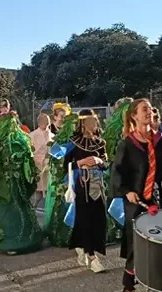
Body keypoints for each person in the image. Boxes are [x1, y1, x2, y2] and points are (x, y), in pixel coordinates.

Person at [112, 98, 162, 292]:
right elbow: (118, 172)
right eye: (144, 109)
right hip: (136, 201)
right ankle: (128, 285)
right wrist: (127, 190)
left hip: (161, 200)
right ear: (134, 115)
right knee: (136, 245)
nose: (149, 112)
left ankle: (158, 283)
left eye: (150, 109)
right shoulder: (127, 144)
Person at [0, 111, 43, 255]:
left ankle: (23, 238)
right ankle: (10, 241)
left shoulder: (20, 140)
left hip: (14, 183)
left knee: (19, 208)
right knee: (9, 210)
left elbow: (28, 160)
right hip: (6, 183)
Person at [65, 109, 108, 273]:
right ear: (83, 123)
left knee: (98, 218)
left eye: (95, 121)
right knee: (85, 217)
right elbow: (65, 165)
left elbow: (106, 164)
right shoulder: (73, 142)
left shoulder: (101, 142)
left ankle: (83, 246)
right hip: (82, 184)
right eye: (90, 121)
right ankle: (92, 257)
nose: (93, 124)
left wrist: (99, 161)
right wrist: (80, 162)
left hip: (98, 184)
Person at [30, 113, 54, 205]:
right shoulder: (32, 135)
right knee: (37, 192)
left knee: (49, 191)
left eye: (47, 121)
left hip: (49, 167)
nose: (46, 123)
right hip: (37, 166)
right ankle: (31, 211)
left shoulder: (52, 135)